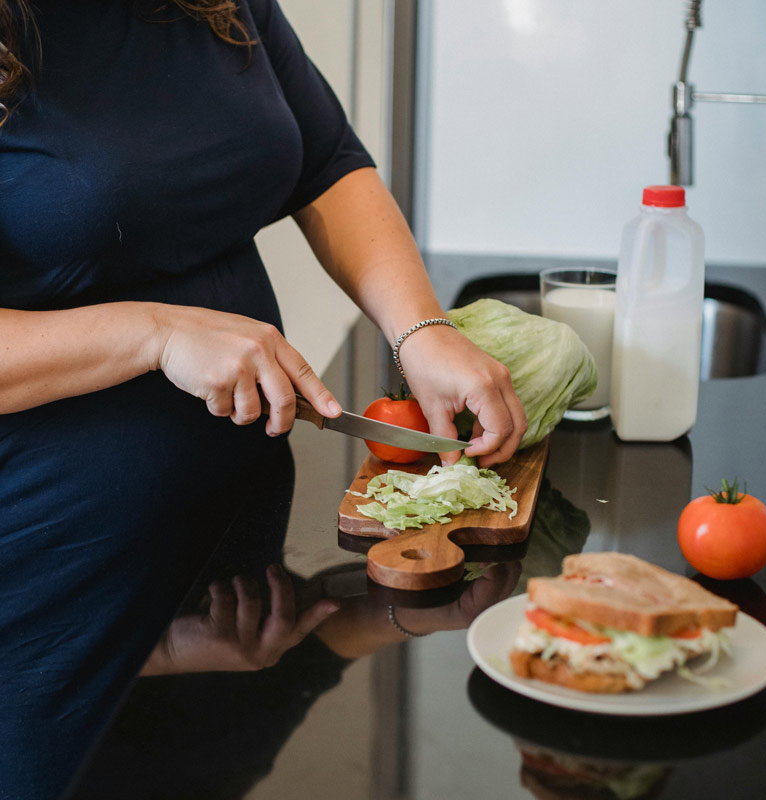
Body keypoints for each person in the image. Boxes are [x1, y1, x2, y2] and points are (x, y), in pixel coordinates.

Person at [0, 2, 526, 798]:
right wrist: (156, 333)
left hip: (235, 574)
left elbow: (326, 163)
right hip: (57, 606)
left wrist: (421, 329)